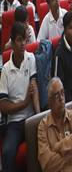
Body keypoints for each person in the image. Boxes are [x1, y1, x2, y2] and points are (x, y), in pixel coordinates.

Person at [0, 22, 41, 172]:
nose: (23, 43)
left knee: (44, 144)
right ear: (12, 43)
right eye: (19, 40)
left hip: (31, 118)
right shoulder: (5, 70)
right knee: (7, 151)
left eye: (24, 39)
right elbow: (3, 106)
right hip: (15, 123)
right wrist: (23, 103)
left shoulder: (31, 58)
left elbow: (34, 88)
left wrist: (38, 115)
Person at [37, 77, 72, 172]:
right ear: (49, 101)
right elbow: (47, 164)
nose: (61, 98)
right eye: (57, 95)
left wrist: (56, 147)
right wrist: (71, 155)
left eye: (62, 93)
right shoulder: (43, 126)